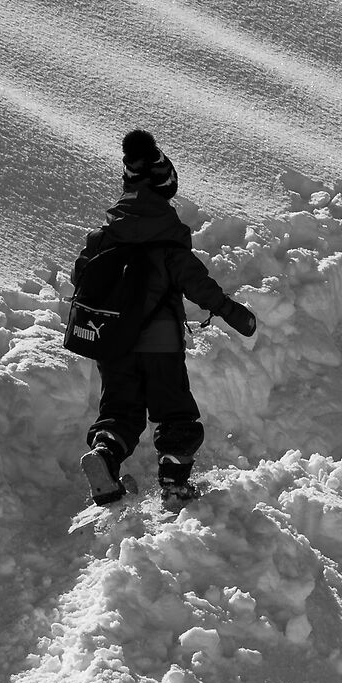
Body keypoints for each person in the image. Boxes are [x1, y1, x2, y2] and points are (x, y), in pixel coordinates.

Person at [77, 130, 257, 506]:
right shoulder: (168, 240)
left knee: (119, 413)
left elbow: (83, 280)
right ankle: (175, 483)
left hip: (112, 342)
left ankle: (105, 457)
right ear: (166, 188)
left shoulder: (102, 237)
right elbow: (199, 285)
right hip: (160, 343)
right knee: (175, 414)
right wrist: (234, 314)